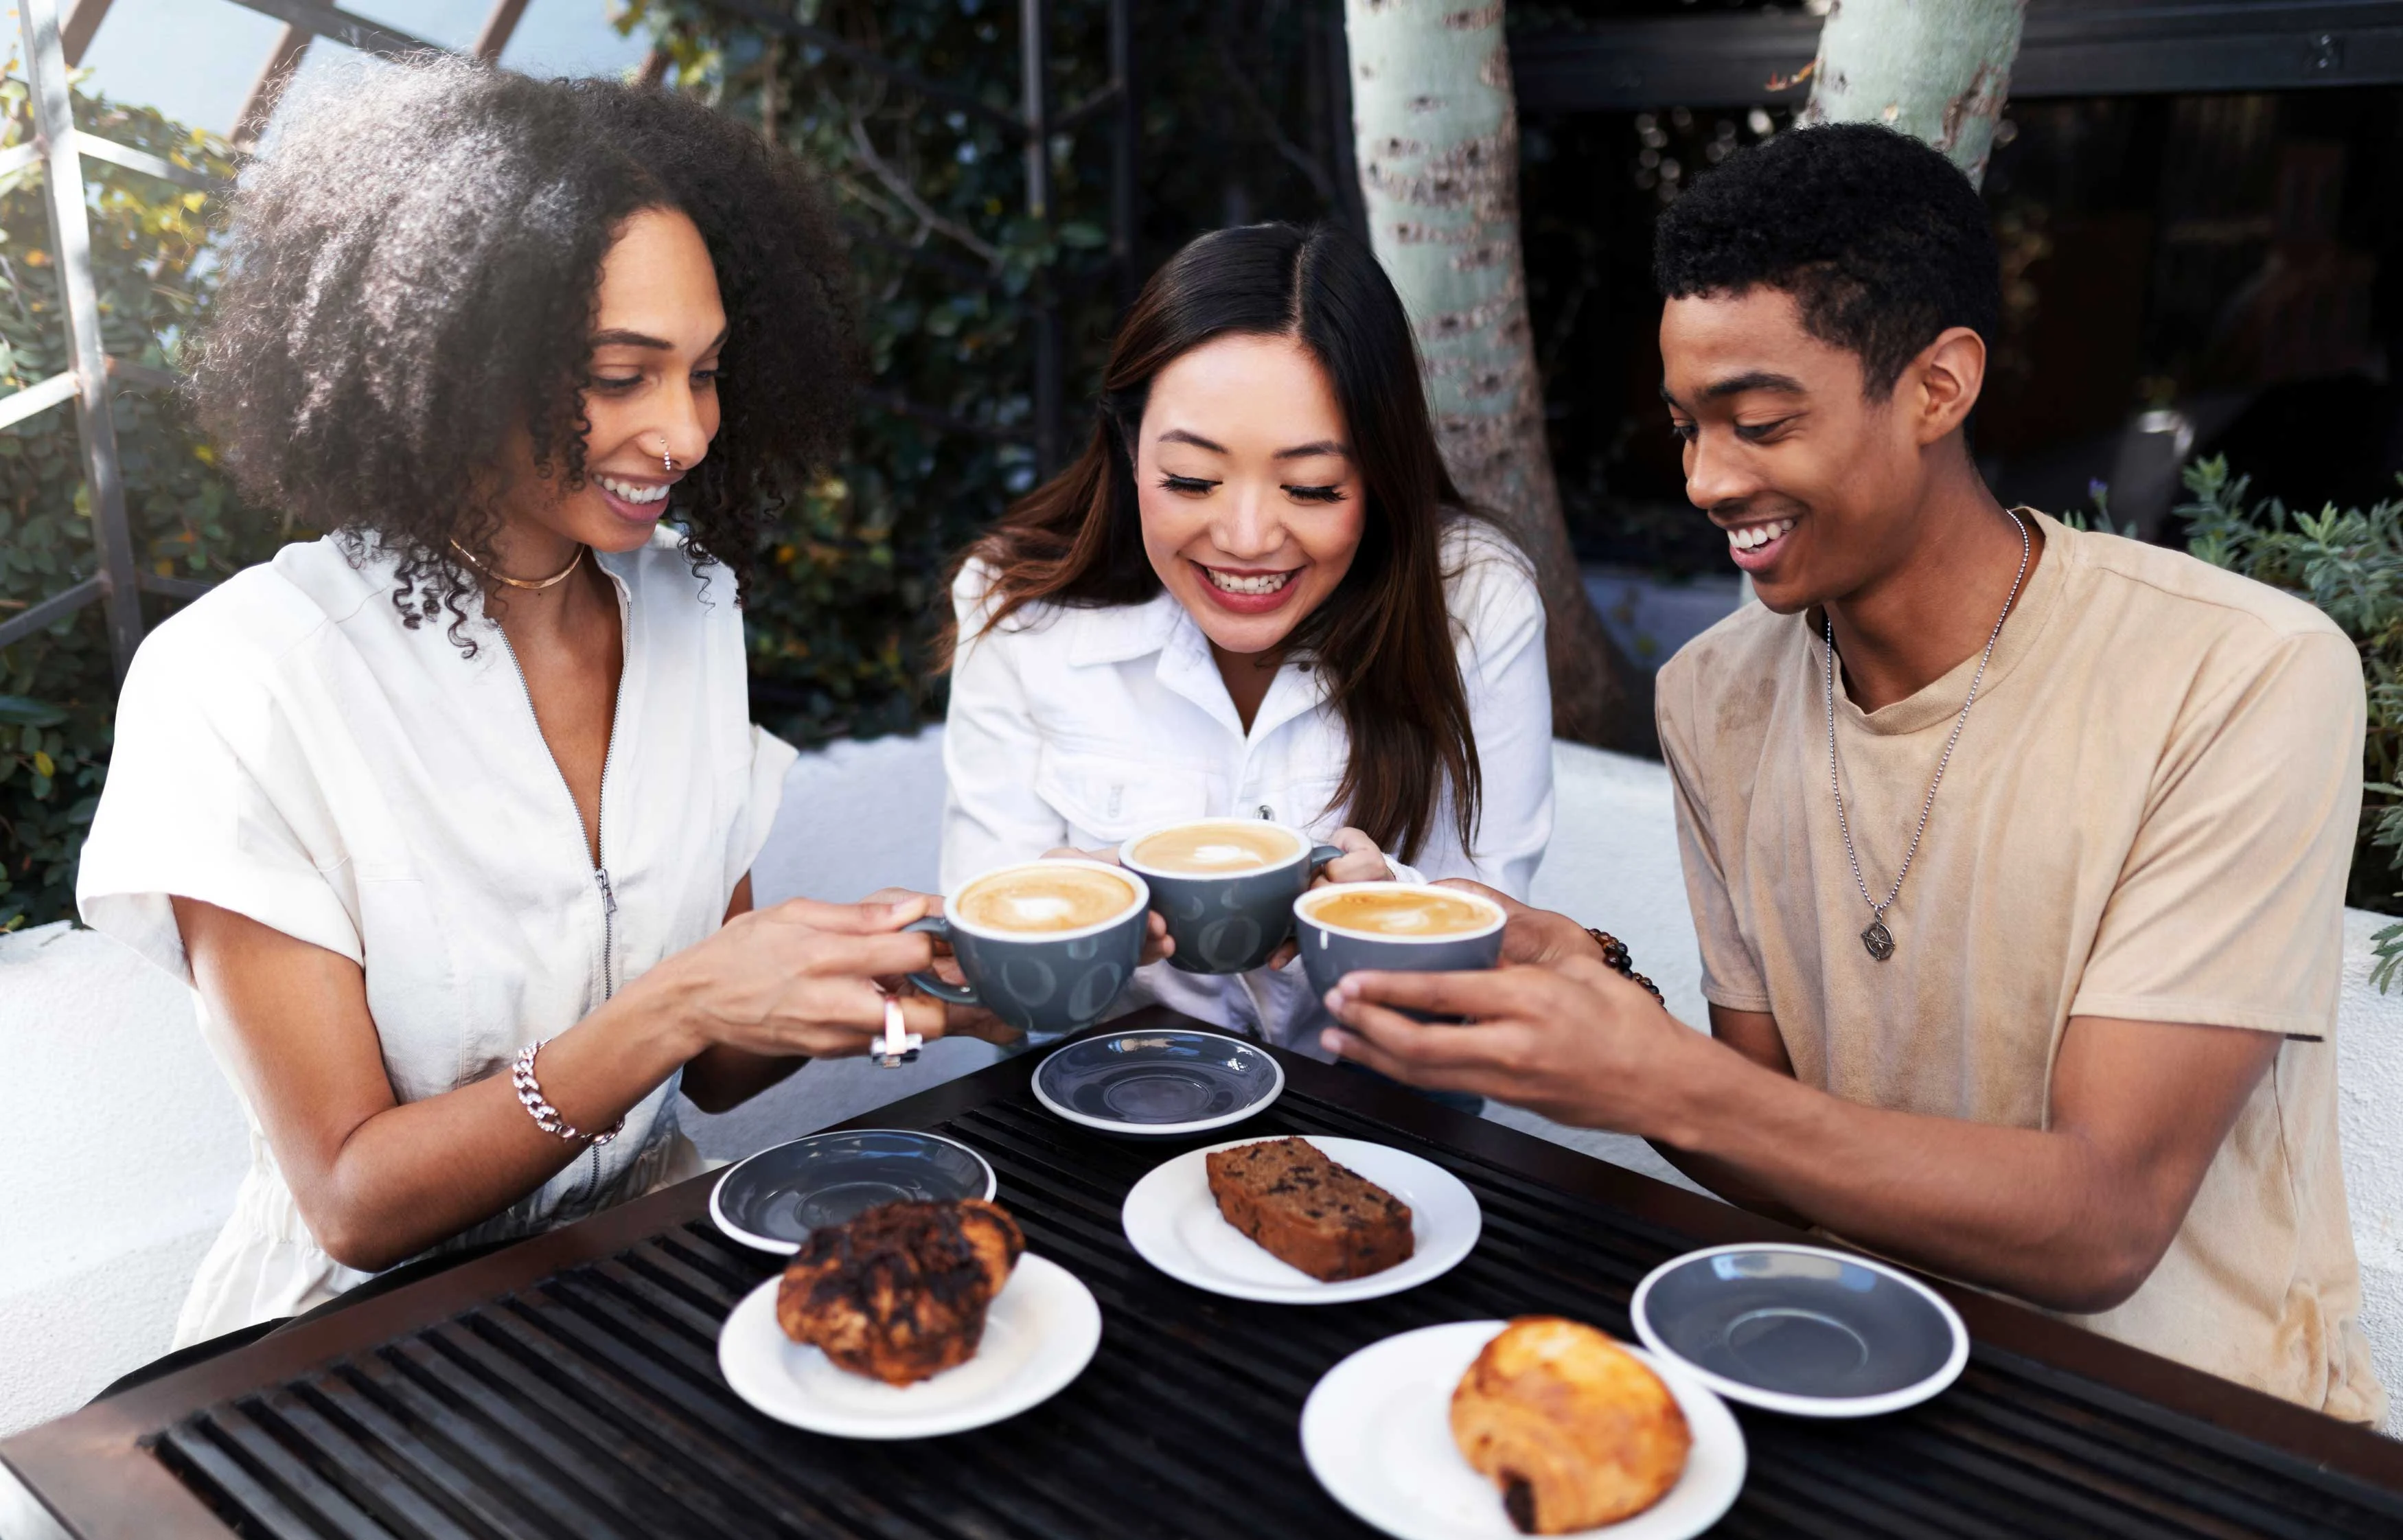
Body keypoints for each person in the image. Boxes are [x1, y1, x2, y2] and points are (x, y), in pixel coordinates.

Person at [1318, 124, 2386, 1423]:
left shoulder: (2243, 675)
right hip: (1845, 1373)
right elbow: (1779, 1157)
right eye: (1684, 425)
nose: (1708, 479)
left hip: (2183, 1425)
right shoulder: (1712, 694)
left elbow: (2104, 1224)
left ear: (1939, 387)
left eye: (1760, 421)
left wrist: (1664, 1076)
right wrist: (1606, 1005)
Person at [73, 60, 1009, 1353]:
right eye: (624, 374)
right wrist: (680, 1004)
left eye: (707, 371)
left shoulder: (688, 606)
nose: (684, 434)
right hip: (368, 1353)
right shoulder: (243, 680)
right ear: (456, 357)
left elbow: (721, 1057)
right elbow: (351, 1197)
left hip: (647, 1269)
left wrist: (897, 971)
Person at [940, 221, 1554, 1051]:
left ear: (1379, 473)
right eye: (1191, 479)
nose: (1246, 537)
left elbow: (1489, 961)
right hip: (1102, 1112)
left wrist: (1386, 903)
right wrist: (1060, 930)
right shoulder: (1016, 604)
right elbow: (988, 991)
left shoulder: (1473, 600)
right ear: (1127, 447)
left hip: (1377, 1129)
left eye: (1310, 487)